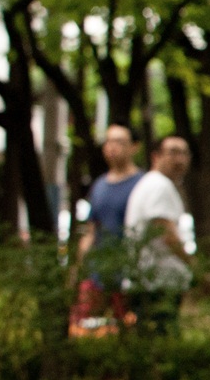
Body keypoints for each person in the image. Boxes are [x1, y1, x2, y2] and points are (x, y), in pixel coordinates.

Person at [72, 124, 147, 332]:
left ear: (135, 147)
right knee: (83, 329)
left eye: (120, 142)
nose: (113, 147)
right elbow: (91, 230)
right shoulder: (99, 186)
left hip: (129, 275)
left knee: (127, 330)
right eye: (109, 141)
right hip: (97, 274)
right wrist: (77, 269)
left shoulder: (143, 184)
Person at [123, 134, 194, 333]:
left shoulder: (151, 183)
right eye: (172, 152)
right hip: (157, 284)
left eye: (184, 153)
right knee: (162, 341)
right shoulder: (159, 186)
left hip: (149, 281)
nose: (179, 159)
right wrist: (194, 266)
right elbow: (166, 232)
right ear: (156, 156)